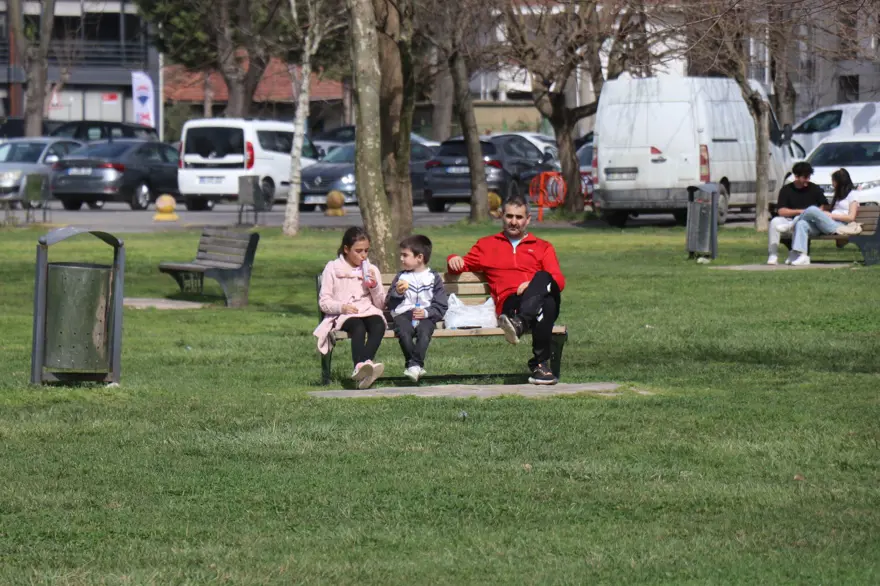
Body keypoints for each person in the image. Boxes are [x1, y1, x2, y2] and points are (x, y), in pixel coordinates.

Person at [447, 194, 566, 385]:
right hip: (511, 303)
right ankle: (540, 366)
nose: (514, 222)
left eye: (519, 217)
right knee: (548, 304)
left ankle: (520, 324)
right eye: (509, 216)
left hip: (530, 303)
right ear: (502, 216)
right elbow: (461, 265)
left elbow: (558, 280)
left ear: (528, 220)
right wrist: (452, 258)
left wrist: (532, 285)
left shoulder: (542, 247)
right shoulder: (486, 245)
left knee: (543, 278)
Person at [314, 227, 386, 389]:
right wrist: (341, 307)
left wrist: (374, 286)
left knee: (378, 324)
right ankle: (363, 366)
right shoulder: (333, 268)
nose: (363, 255)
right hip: (344, 314)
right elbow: (324, 301)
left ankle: (363, 365)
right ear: (346, 249)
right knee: (358, 327)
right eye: (358, 251)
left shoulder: (372, 269)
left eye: (366, 251)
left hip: (368, 310)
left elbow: (380, 304)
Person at [385, 235, 449, 382]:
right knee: (403, 331)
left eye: (405, 255)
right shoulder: (401, 277)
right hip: (404, 314)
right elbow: (389, 302)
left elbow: (441, 304)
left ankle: (413, 365)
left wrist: (427, 312)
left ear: (419, 257)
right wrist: (398, 293)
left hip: (426, 315)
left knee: (424, 331)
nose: (401, 259)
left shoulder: (433, 278)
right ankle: (415, 365)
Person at [788, 168, 861, 266]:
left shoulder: (852, 195)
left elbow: (851, 217)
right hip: (827, 224)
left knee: (812, 209)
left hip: (838, 226)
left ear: (840, 181)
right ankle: (802, 256)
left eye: (833, 181)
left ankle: (791, 224)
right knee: (802, 224)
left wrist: (830, 215)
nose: (832, 184)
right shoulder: (838, 195)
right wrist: (826, 213)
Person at [767, 161, 828, 265]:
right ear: (796, 176)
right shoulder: (786, 190)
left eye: (809, 177)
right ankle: (773, 254)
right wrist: (801, 211)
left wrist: (816, 212)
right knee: (774, 222)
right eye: (804, 177)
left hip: (809, 223)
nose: (807, 180)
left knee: (800, 223)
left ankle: (795, 252)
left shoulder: (814, 189)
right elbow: (781, 211)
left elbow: (825, 205)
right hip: (789, 220)